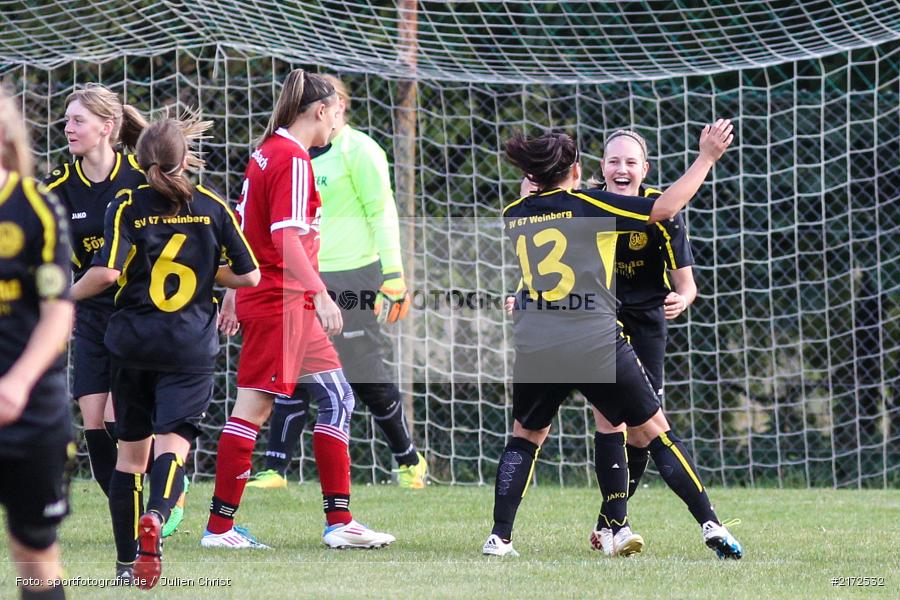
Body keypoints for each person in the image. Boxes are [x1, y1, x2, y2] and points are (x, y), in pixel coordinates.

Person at [483, 121, 743, 560]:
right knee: (656, 431)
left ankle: (501, 537)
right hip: (594, 337)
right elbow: (662, 209)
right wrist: (707, 158)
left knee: (526, 436)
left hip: (539, 341)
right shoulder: (588, 203)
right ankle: (709, 523)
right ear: (583, 171)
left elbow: (546, 261)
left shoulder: (514, 213)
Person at [204, 69, 395, 550]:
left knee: (338, 397)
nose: (338, 121)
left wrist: (234, 291)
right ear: (318, 111)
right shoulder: (290, 159)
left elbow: (245, 231)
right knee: (253, 407)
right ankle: (220, 528)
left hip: (275, 300)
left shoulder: (268, 152)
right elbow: (285, 241)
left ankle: (340, 522)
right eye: (336, 112)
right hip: (281, 303)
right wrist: (321, 293)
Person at [71, 111, 260, 589]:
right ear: (183, 159)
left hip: (132, 343)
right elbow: (250, 275)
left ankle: (124, 564)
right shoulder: (213, 206)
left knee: (129, 459)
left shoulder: (126, 203)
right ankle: (157, 513)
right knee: (173, 443)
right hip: (189, 346)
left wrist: (58, 294)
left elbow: (109, 272)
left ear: (139, 157)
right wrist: (204, 273)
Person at [243, 74, 425, 491]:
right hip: (302, 276)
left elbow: (383, 212)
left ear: (341, 105)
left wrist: (393, 275)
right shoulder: (295, 153)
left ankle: (408, 459)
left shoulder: (360, 151)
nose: (334, 112)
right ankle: (275, 467)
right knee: (291, 366)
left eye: (340, 104)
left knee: (364, 373)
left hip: (354, 274)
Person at [586, 129, 699, 554]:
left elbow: (687, 285)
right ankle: (620, 527)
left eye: (631, 162)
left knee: (642, 432)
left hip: (648, 325)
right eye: (614, 161)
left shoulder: (663, 212)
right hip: (599, 322)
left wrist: (680, 299)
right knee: (609, 417)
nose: (622, 169)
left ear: (644, 169)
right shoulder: (585, 205)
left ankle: (607, 521)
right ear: (602, 167)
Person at [0, 88, 75, 600]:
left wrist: (16, 384)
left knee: (34, 552)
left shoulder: (36, 208)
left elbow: (57, 311)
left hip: (29, 412)